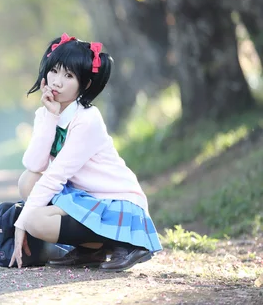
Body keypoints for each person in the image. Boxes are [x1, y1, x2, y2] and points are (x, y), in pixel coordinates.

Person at [9, 33, 162, 272]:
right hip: (86, 197)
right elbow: (34, 164)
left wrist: (21, 225)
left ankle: (127, 242)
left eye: (68, 76)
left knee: (34, 221)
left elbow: (56, 175)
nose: (57, 82)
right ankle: (92, 249)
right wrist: (50, 116)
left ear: (85, 84)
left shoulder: (87, 119)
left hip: (115, 201)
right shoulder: (46, 113)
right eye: (55, 71)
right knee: (28, 180)